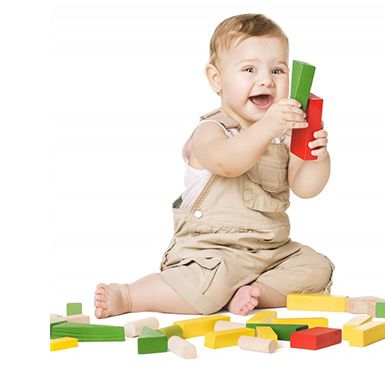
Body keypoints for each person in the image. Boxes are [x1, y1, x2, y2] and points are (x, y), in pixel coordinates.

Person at [94, 13, 334, 318]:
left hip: (270, 253)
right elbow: (227, 162)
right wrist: (269, 127)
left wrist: (317, 154)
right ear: (216, 78)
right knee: (209, 283)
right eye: (249, 69)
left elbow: (306, 187)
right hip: (211, 252)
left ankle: (251, 294)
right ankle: (130, 296)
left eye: (277, 70)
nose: (265, 80)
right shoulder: (211, 131)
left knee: (316, 267)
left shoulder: (283, 135)